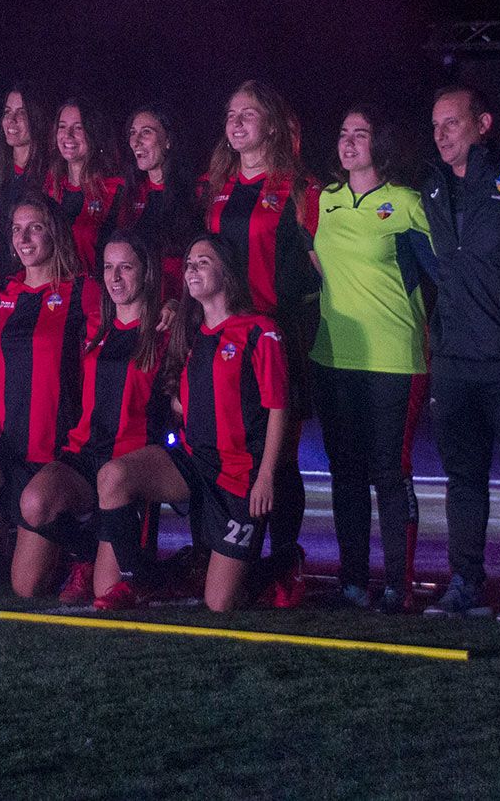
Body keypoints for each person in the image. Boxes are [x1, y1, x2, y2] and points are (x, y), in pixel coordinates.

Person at [93, 234, 289, 612]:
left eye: (203, 262)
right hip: (194, 461)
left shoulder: (259, 331)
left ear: (227, 271)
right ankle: (142, 581)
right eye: (188, 264)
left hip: (238, 473)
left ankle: (282, 565)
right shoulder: (189, 334)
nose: (191, 269)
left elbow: (280, 408)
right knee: (113, 477)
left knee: (220, 603)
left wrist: (265, 476)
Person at [418, 85, 500, 621]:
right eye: (435, 125)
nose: (442, 134)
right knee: (463, 479)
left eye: (452, 122)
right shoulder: (431, 186)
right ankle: (466, 581)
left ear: (484, 123)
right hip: (453, 360)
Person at [310, 105, 436, 612]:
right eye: (343, 133)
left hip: (393, 357)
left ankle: (398, 586)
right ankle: (353, 582)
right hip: (335, 354)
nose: (348, 141)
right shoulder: (324, 199)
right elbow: (315, 260)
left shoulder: (404, 202)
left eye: (360, 133)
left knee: (389, 471)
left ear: (378, 144)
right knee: (345, 472)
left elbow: (442, 268)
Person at [199, 80, 320, 606]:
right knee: (231, 448)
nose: (237, 122)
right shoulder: (217, 187)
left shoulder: (300, 188)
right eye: (231, 113)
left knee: (279, 456)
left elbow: (323, 268)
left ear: (272, 123)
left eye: (249, 113)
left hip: (279, 336)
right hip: (227, 339)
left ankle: (286, 558)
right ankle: (229, 554)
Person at [33, 230, 170, 606]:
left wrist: (176, 306)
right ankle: (86, 551)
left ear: (147, 273)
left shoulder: (164, 329)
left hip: (130, 460)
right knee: (33, 503)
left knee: (105, 594)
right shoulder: (94, 325)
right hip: (86, 452)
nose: (115, 277)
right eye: (108, 268)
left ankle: (150, 571)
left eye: (126, 267)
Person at [0, 193, 102, 599]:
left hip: (60, 452)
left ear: (54, 233)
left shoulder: (83, 291)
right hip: (9, 449)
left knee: (27, 588)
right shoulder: (5, 294)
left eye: (34, 227)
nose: (24, 237)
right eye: (16, 229)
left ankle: (92, 535)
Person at [44, 97, 126, 275]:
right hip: (55, 294)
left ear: (94, 133)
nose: (68, 135)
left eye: (78, 127)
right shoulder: (49, 186)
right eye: (62, 126)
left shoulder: (114, 189)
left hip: (97, 294)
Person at [0, 85, 51, 295]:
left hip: (37, 291)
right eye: (7, 112)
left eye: (21, 113)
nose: (11, 121)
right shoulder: (1, 173)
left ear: (37, 119)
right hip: (1, 290)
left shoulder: (50, 176)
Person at [124, 104, 196, 299]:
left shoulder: (195, 192)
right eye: (133, 133)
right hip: (138, 303)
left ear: (168, 141)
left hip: (181, 306)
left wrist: (179, 302)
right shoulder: (130, 193)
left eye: (146, 132)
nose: (136, 142)